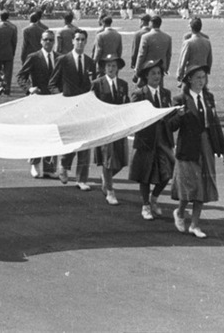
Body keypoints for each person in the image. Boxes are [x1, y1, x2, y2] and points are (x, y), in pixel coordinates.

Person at [168, 64, 224, 239]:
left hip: (207, 147)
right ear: (189, 80)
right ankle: (180, 212)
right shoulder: (179, 99)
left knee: (203, 186)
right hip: (188, 148)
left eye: (203, 77)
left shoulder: (208, 97)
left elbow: (215, 124)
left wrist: (223, 149)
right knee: (190, 186)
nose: (201, 81)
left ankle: (195, 224)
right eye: (198, 78)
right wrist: (178, 115)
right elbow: (170, 126)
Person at [128, 59, 175, 221]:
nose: (157, 76)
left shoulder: (166, 94)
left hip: (163, 141)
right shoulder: (139, 94)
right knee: (145, 174)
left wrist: (177, 116)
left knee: (169, 171)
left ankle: (154, 198)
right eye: (153, 73)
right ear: (146, 76)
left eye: (159, 73)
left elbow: (170, 120)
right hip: (146, 141)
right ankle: (146, 205)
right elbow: (133, 117)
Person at [49, 29, 96, 190]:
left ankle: (82, 179)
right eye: (77, 39)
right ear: (72, 41)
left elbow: (93, 85)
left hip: (84, 109)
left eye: (83, 40)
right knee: (71, 141)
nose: (80, 42)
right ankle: (63, 165)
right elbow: (52, 84)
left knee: (85, 143)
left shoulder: (90, 62)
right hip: (68, 108)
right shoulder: (63, 60)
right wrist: (61, 98)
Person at [16, 29, 58, 179]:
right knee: (38, 132)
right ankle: (34, 163)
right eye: (46, 39)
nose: (48, 42)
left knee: (52, 133)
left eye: (51, 40)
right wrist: (29, 88)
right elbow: (21, 76)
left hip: (54, 101)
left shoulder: (59, 58)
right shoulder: (34, 57)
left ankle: (49, 167)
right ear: (41, 41)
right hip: (38, 100)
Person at [90, 54, 129, 206]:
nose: (111, 69)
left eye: (114, 66)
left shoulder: (123, 84)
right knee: (108, 159)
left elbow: (126, 104)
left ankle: (106, 179)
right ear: (104, 68)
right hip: (104, 127)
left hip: (118, 126)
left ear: (117, 68)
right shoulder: (97, 84)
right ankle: (110, 191)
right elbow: (92, 105)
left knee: (120, 161)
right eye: (108, 66)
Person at [135, 15, 172, 79]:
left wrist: (137, 69)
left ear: (151, 23)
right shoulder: (167, 37)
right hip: (161, 67)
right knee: (159, 86)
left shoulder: (146, 37)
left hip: (147, 67)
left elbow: (141, 55)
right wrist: (166, 68)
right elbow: (168, 55)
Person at [176, 17, 213, 82]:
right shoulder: (207, 42)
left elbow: (183, 60)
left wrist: (180, 74)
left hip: (191, 74)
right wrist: (207, 71)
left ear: (191, 27)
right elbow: (210, 59)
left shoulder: (188, 42)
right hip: (203, 74)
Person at [0, 11, 18, 96]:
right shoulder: (13, 27)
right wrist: (13, 51)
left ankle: (0, 85)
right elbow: (14, 42)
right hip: (9, 51)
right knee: (8, 72)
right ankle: (7, 90)